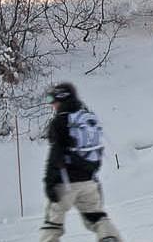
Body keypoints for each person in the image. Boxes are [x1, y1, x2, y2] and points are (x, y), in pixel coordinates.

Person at [40, 82, 122, 242]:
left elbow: (55, 154)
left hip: (65, 183)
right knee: (97, 217)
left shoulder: (60, 121)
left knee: (53, 224)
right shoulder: (87, 117)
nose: (52, 104)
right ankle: (109, 237)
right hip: (89, 182)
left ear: (61, 98)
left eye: (53, 100)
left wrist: (49, 183)